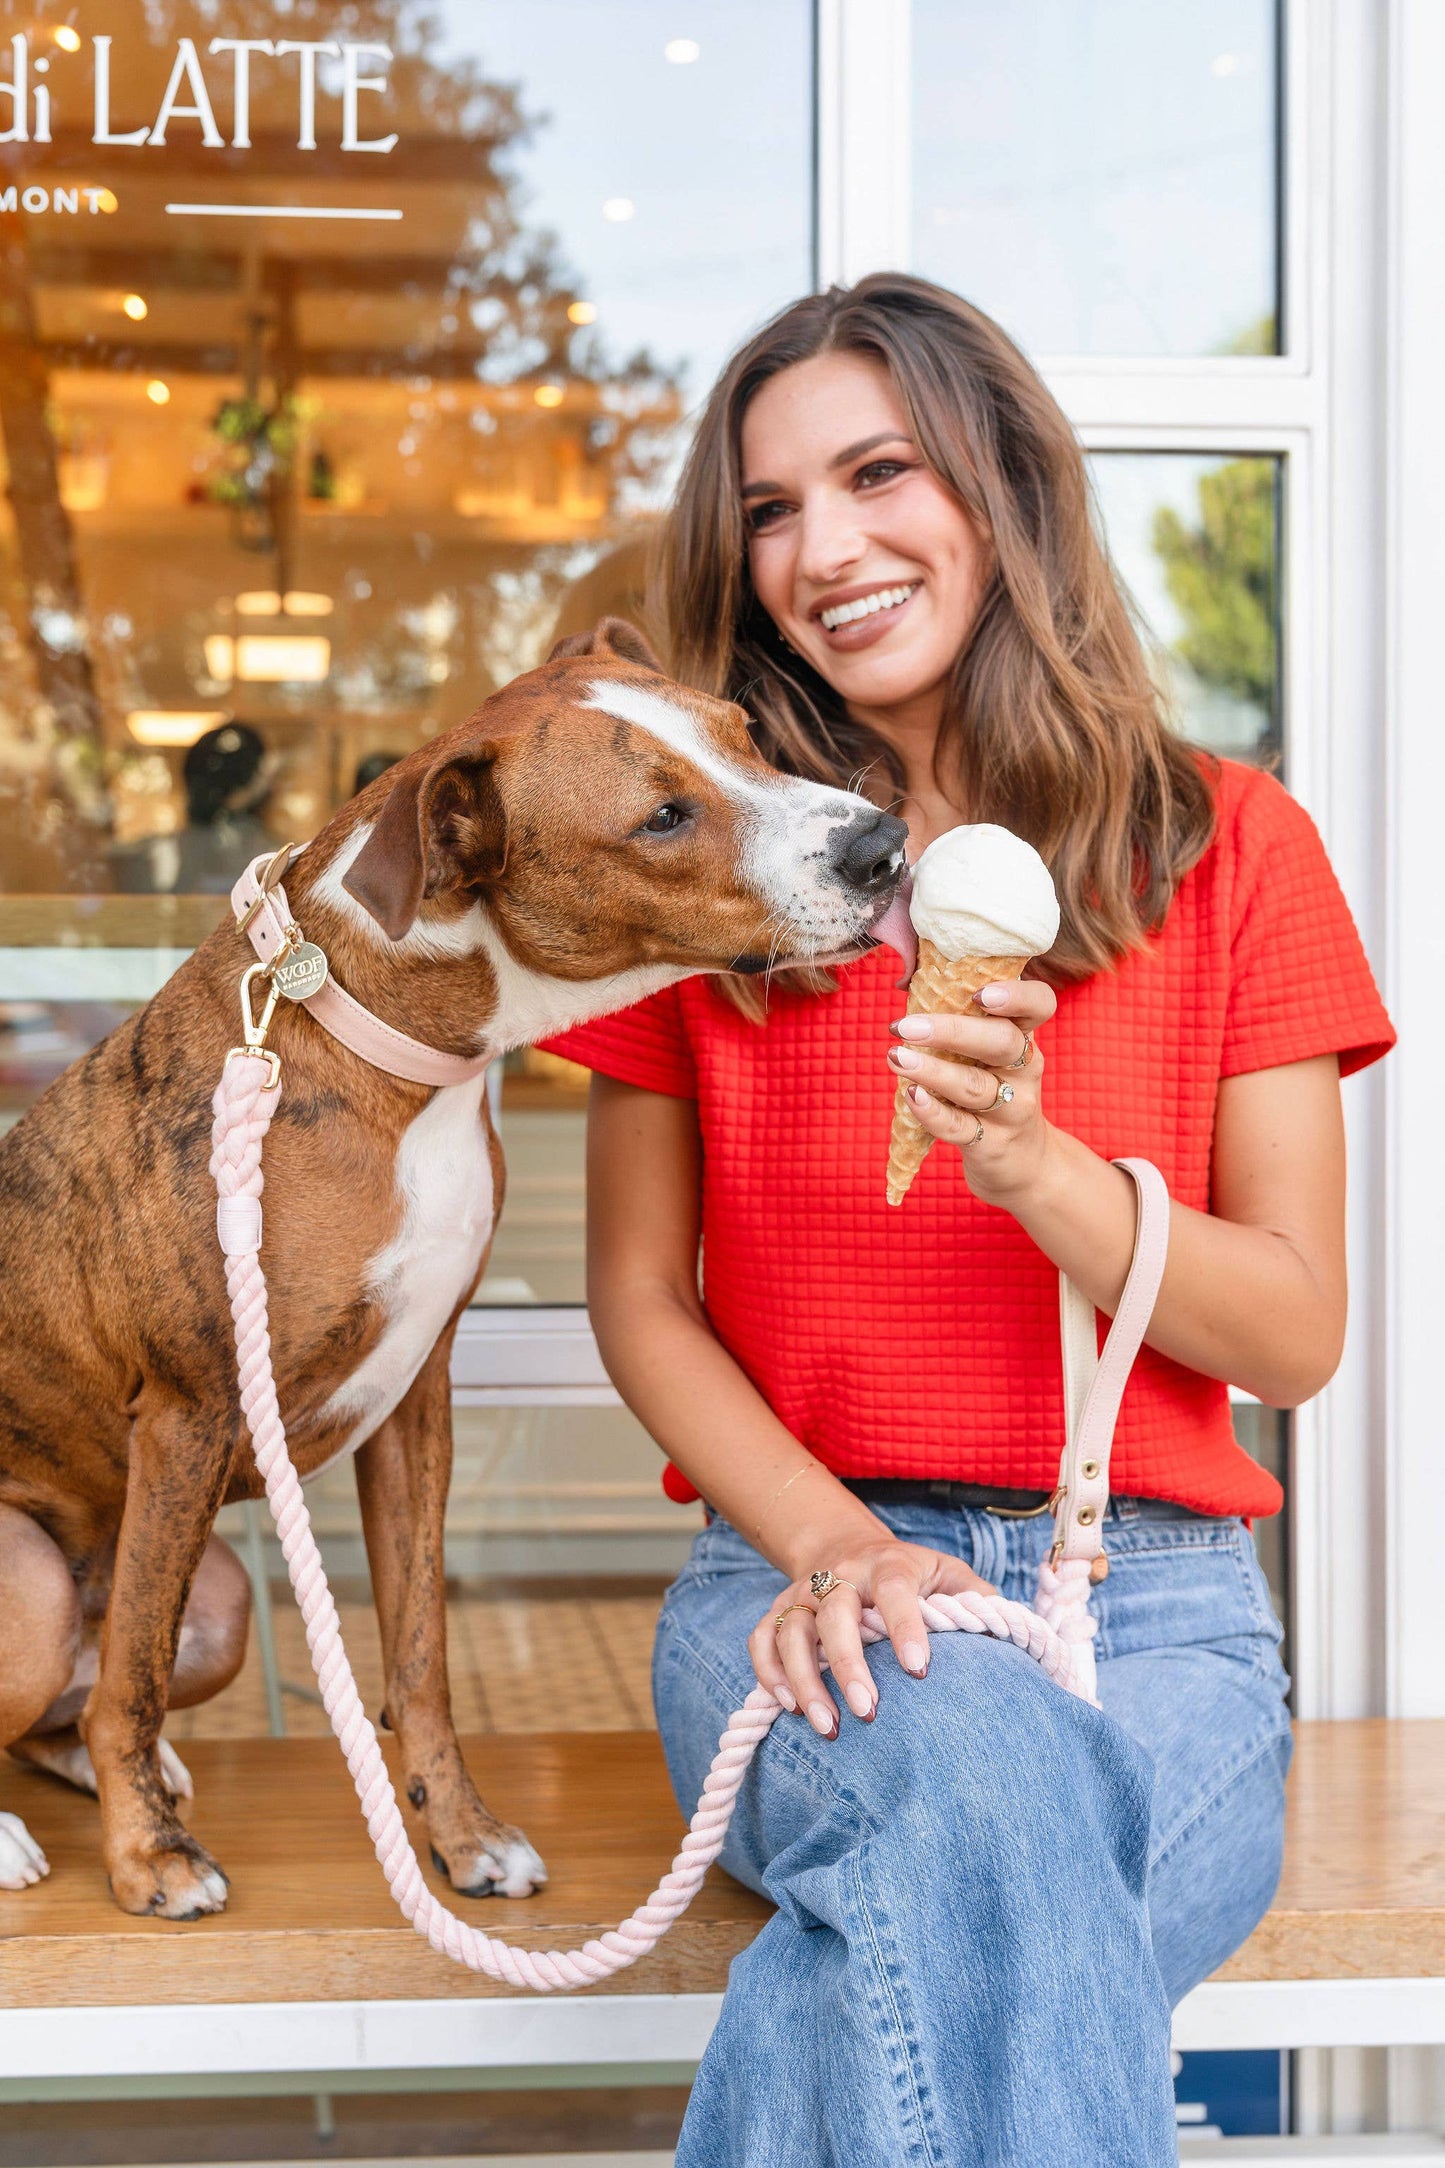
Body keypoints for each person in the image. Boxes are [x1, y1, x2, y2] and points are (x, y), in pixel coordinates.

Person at [541, 275, 1395, 2166]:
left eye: (876, 474)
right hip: (792, 1589)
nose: (820, 549)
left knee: (871, 1970)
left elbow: (1296, 1334)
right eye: (769, 509)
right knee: (993, 1814)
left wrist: (1037, 1166)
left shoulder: (1236, 845)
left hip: (1152, 1608)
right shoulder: (703, 874)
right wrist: (841, 1544)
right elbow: (637, 1300)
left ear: (1003, 483)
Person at [110, 722, 277, 895]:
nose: (272, 787)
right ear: (245, 790)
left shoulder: (147, 855)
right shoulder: (273, 861)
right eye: (264, 777)